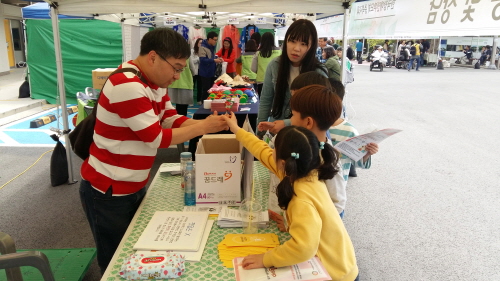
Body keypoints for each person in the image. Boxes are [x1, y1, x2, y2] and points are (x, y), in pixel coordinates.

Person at [79, 28, 228, 274]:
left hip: (132, 183)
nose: (178, 76)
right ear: (152, 57)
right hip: (108, 189)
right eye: (177, 68)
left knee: (133, 254)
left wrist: (213, 126)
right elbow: (156, 138)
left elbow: (170, 118)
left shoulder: (154, 82)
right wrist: (204, 126)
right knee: (116, 262)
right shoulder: (127, 85)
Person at [223, 107, 359, 281]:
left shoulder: (300, 198)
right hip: (337, 264)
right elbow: (260, 149)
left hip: (334, 274)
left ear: (281, 161)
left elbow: (303, 248)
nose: (270, 150)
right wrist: (236, 128)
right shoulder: (307, 171)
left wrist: (266, 259)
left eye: (274, 148)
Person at [257, 19, 327, 136]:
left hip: (305, 135)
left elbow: (321, 112)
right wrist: (259, 134)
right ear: (286, 41)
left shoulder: (318, 73)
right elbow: (265, 101)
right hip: (276, 132)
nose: (296, 48)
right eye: (292, 41)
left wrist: (287, 123)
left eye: (303, 44)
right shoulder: (275, 66)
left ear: (311, 46)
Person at [328, 79, 378, 196]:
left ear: (339, 103)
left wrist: (368, 153)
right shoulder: (312, 127)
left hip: (337, 191)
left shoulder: (349, 131)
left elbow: (358, 161)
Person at [251, 32, 281, 96]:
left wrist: (259, 72)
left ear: (262, 41)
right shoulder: (280, 52)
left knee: (263, 103)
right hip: (277, 81)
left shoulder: (258, 53)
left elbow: (253, 68)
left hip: (262, 81)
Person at [199, 31, 224, 101]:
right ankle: (203, 106)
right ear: (209, 39)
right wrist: (214, 60)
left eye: (216, 40)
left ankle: (209, 105)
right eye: (215, 40)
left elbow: (211, 57)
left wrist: (217, 58)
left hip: (211, 72)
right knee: (206, 91)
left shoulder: (211, 47)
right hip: (205, 73)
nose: (215, 42)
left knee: (211, 90)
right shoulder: (202, 47)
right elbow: (203, 60)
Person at [189, 38, 203, 105]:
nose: (201, 44)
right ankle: (190, 101)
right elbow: (191, 61)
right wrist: (198, 58)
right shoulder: (192, 51)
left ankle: (199, 100)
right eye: (200, 43)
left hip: (201, 71)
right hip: (193, 71)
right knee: (192, 86)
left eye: (202, 43)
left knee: (200, 87)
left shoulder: (204, 51)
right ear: (197, 43)